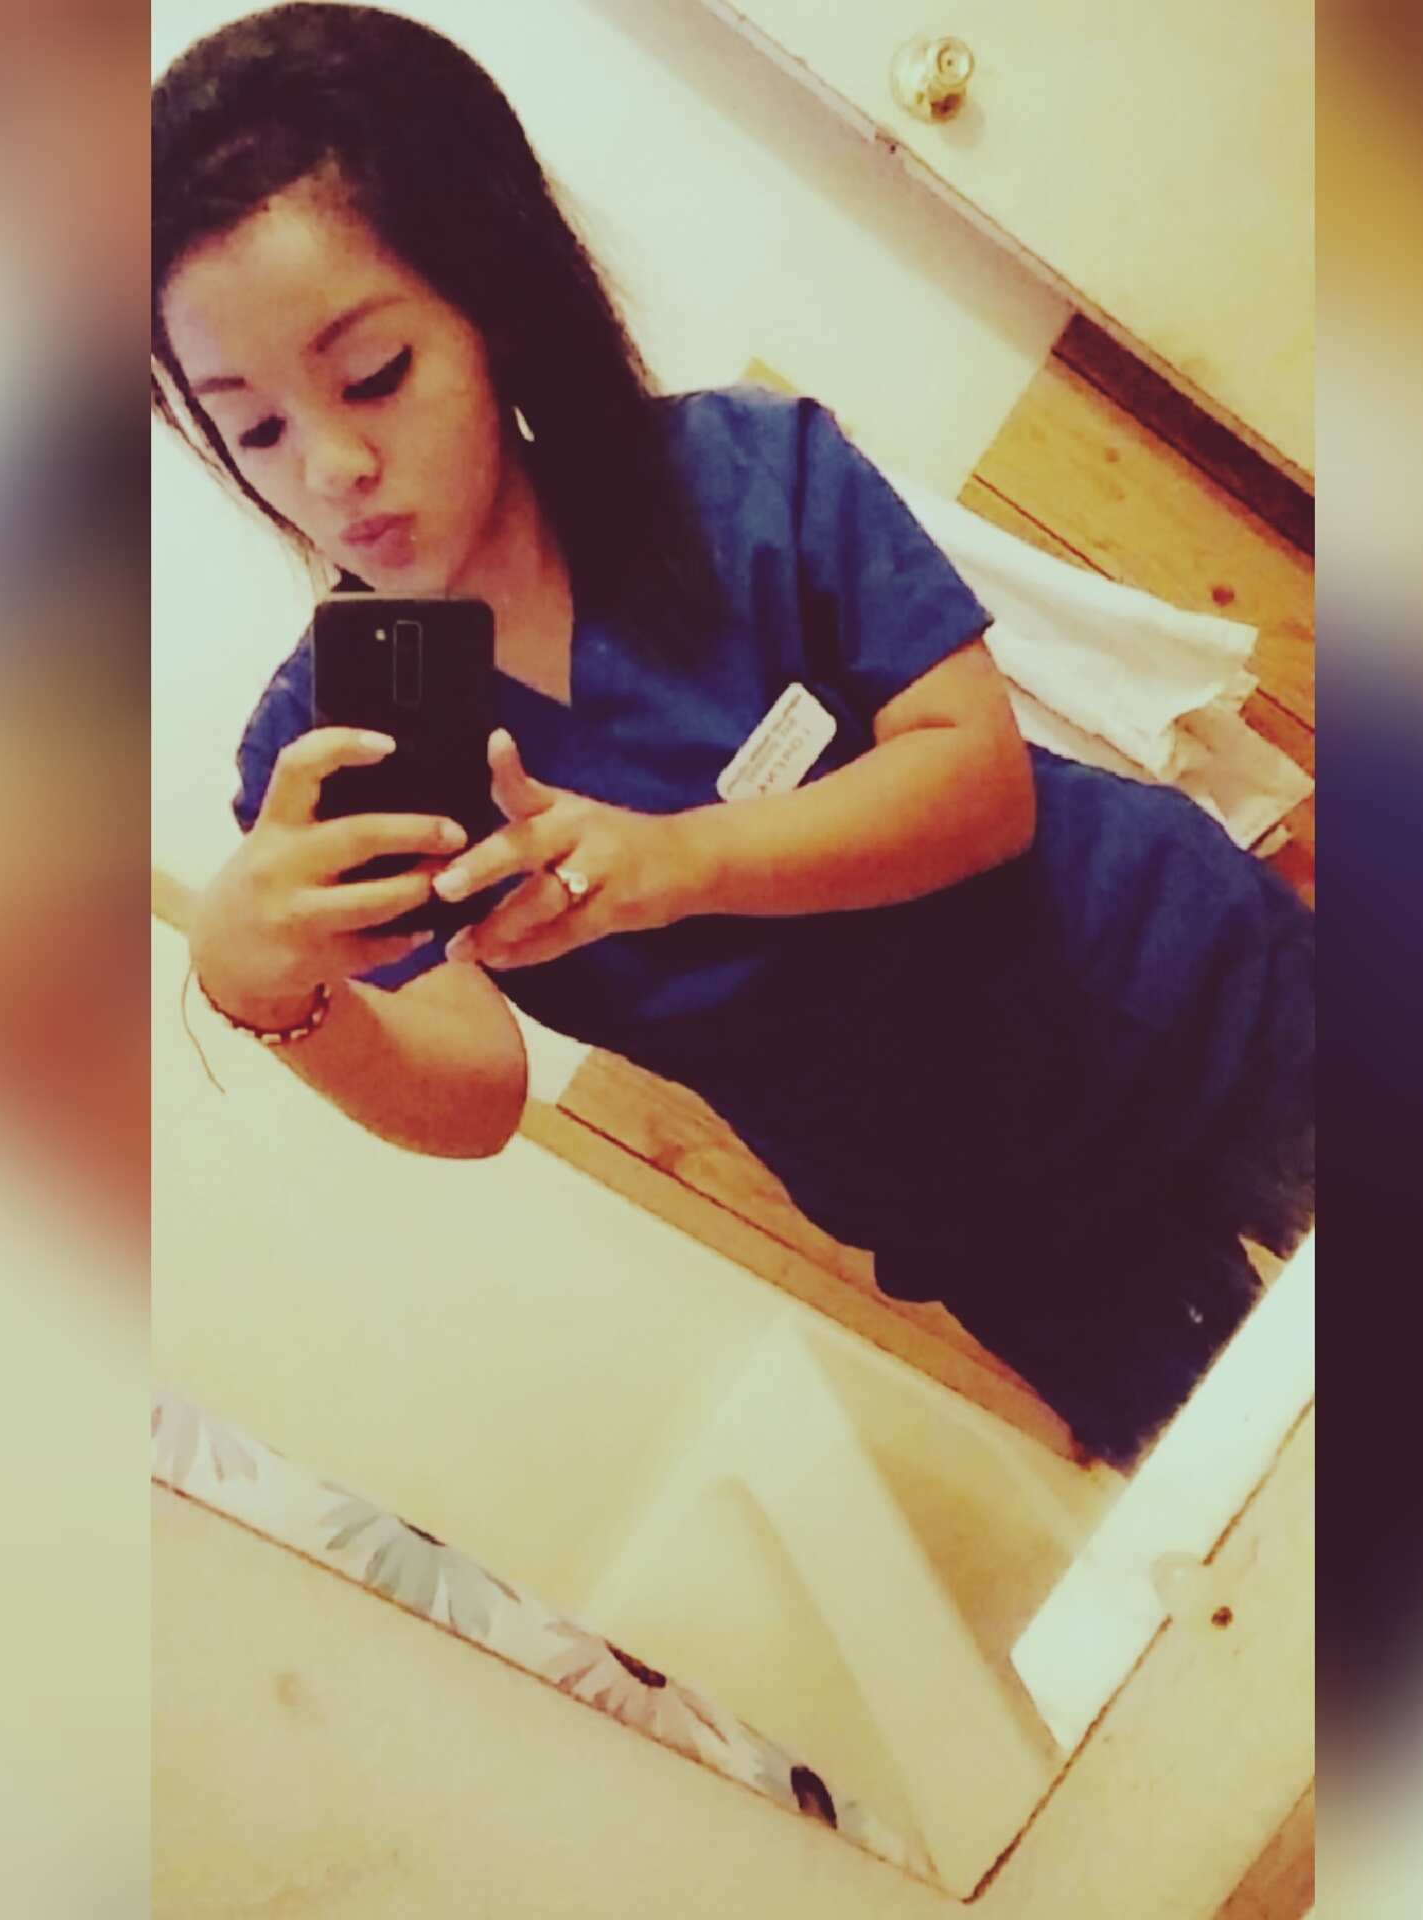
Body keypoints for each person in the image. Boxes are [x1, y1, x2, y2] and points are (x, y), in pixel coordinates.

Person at [151, 2, 1313, 1466]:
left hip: (1184, 995)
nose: (330, 469)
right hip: (994, 1218)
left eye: (374, 373)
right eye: (255, 429)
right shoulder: (332, 747)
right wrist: (267, 991)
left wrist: (678, 862)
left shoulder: (737, 478)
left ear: (489, 302)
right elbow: (476, 1091)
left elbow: (977, 786)